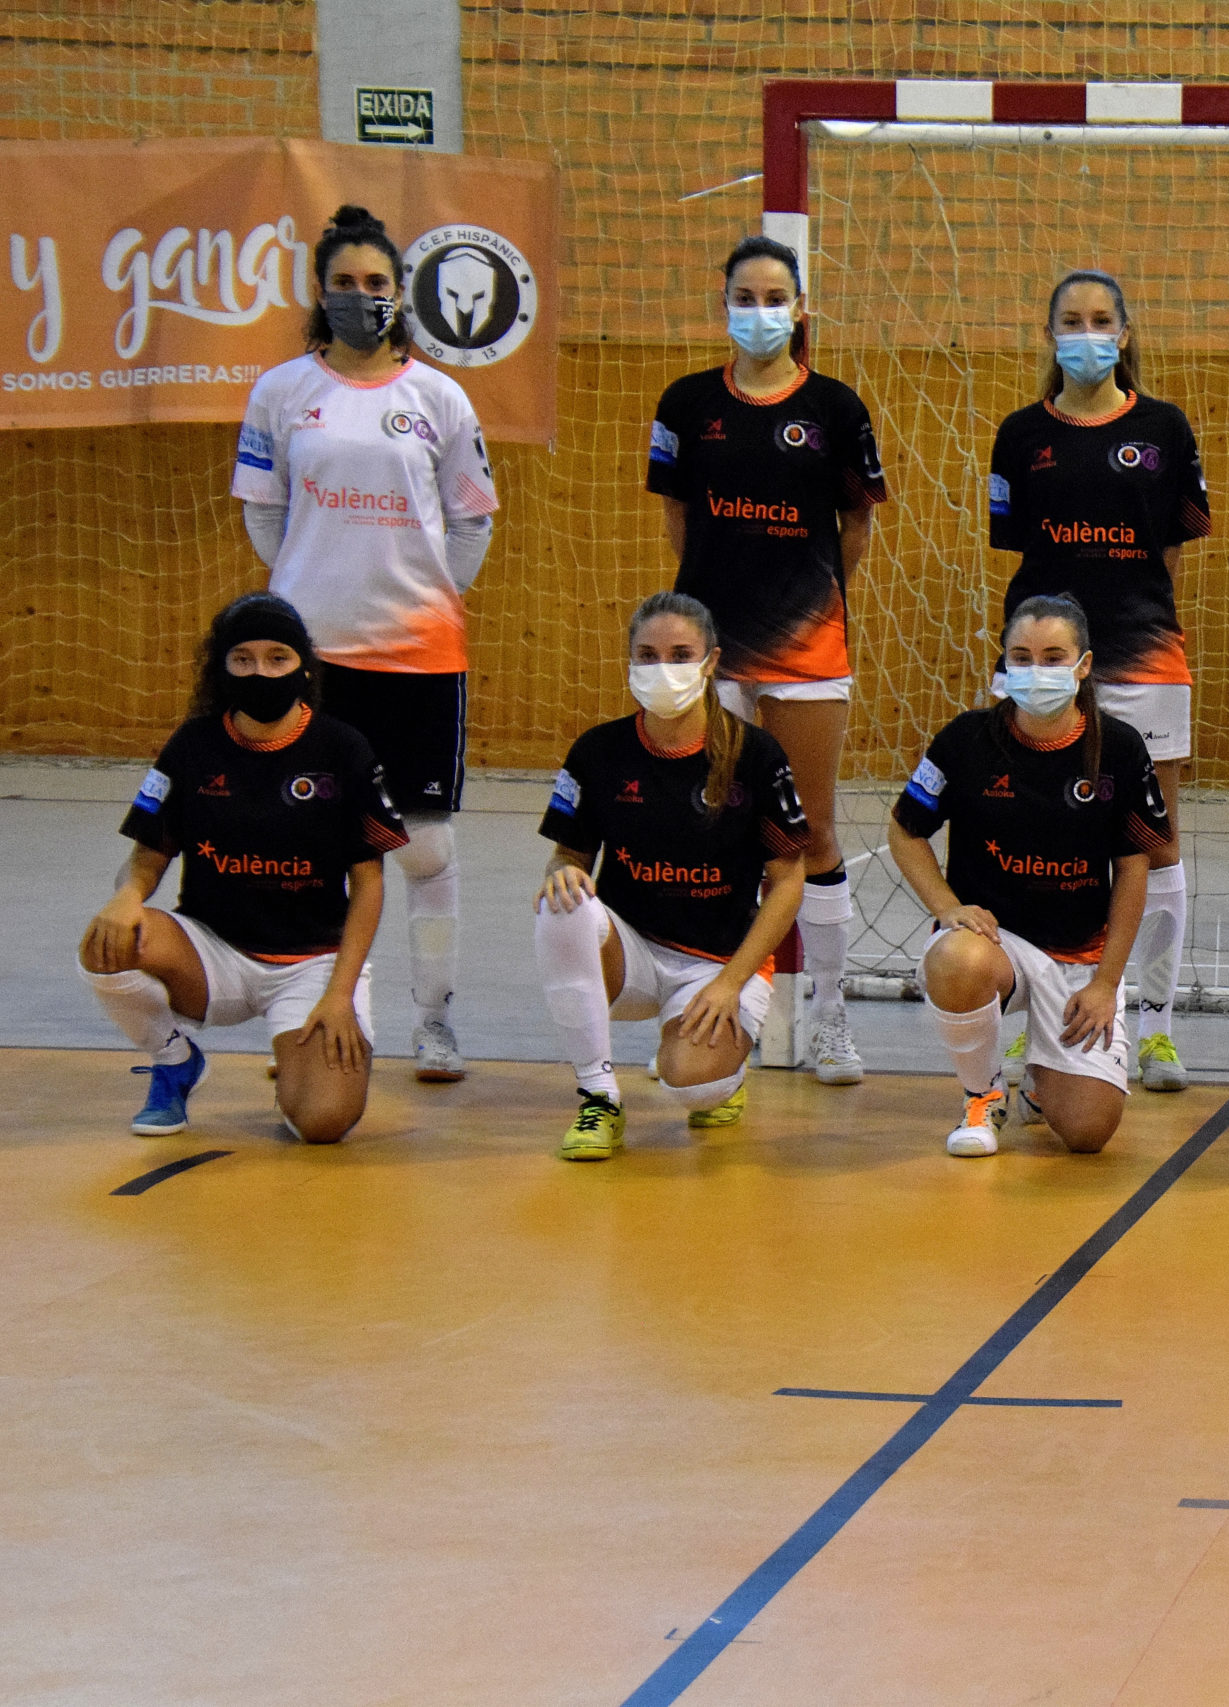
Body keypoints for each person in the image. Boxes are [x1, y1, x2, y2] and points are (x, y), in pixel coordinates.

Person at [232, 204, 496, 1085]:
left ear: (400, 294)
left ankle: (436, 1021)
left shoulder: (439, 398)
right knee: (314, 834)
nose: (359, 296)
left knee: (424, 847)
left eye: (375, 284)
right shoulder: (280, 391)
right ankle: (321, 1014)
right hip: (315, 657)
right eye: (343, 283)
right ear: (321, 291)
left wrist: (419, 596)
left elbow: (469, 525)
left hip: (418, 655)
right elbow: (265, 513)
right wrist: (313, 593)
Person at [647, 234, 887, 1089]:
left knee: (811, 828)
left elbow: (853, 527)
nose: (759, 312)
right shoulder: (684, 404)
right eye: (742, 298)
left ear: (801, 308)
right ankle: (702, 1005)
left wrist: (805, 596)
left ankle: (830, 1021)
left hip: (808, 645)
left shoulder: (835, 409)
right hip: (710, 653)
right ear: (723, 308)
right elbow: (678, 518)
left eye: (774, 296)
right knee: (712, 824)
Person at [987, 270, 1211, 1095]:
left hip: (1145, 653)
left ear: (1124, 331)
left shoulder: (1164, 428)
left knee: (1156, 843)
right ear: (1050, 335)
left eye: (1101, 319)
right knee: (1043, 835)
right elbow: (1018, 552)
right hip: (1041, 663)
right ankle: (1036, 1020)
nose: (1086, 332)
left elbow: (1173, 554)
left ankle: (1155, 1028)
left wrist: (1136, 625)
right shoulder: (1020, 435)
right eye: (1070, 320)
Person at [78, 594, 405, 1143]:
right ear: (221, 668)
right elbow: (149, 854)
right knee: (104, 942)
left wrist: (340, 992)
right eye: (243, 659)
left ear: (303, 667)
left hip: (311, 964)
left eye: (278, 657)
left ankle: (298, 1075)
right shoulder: (193, 745)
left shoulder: (342, 749)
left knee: (323, 1124)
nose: (261, 671)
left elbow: (368, 884)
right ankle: (173, 1060)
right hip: (211, 952)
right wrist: (127, 895)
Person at [887, 595, 1171, 1158]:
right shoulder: (966, 740)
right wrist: (947, 908)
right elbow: (905, 831)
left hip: (1079, 963)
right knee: (956, 956)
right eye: (1021, 657)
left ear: (1083, 665)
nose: (1035, 671)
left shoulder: (1118, 747)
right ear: (1004, 664)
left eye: (1053, 656)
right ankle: (982, 1095)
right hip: (998, 949)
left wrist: (1107, 984)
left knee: (1088, 1133)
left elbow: (1134, 870)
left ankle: (1042, 1080)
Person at [531, 593, 810, 1161]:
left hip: (718, 962)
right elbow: (569, 857)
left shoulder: (755, 754)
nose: (663, 669)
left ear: (711, 662)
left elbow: (788, 882)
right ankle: (598, 1096)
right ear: (630, 662)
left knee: (693, 1083)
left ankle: (718, 1068)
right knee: (561, 906)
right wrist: (561, 873)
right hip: (630, 954)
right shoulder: (598, 751)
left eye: (680, 654)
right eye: (648, 654)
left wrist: (731, 982)